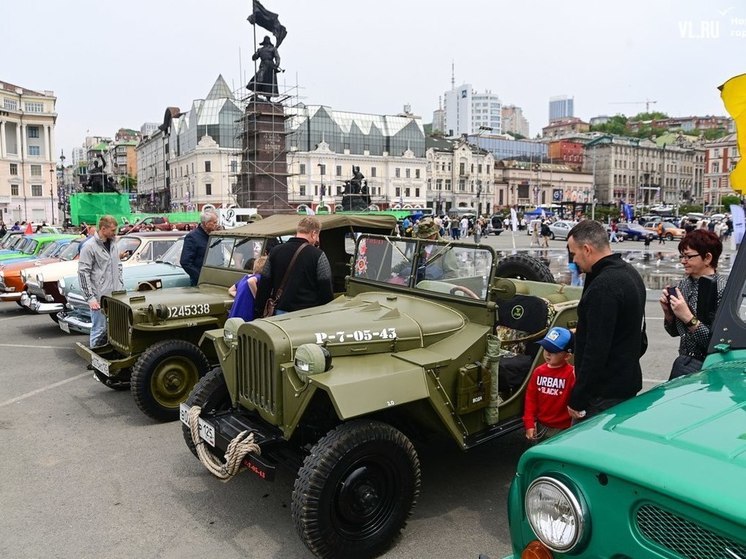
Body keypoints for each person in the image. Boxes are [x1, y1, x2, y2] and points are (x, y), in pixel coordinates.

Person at [566, 220, 646, 420]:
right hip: (625, 384)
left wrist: (578, 396)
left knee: (582, 448)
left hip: (602, 396)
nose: (573, 260)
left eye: (573, 253)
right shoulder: (630, 273)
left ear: (587, 249)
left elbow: (596, 349)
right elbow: (639, 334)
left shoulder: (604, 286)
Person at [660, 229, 726, 379]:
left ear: (707, 258)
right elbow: (675, 332)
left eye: (688, 257)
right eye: (682, 256)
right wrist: (668, 314)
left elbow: (715, 342)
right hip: (684, 362)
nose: (683, 261)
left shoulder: (722, 288)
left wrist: (689, 318)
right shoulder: (683, 284)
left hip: (708, 367)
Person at [254, 216, 334, 317]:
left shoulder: (275, 251)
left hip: (280, 312)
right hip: (308, 314)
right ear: (313, 234)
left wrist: (258, 311)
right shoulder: (318, 255)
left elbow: (264, 284)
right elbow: (325, 288)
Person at [78, 215, 123, 348]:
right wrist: (90, 298)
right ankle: (96, 361)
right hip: (99, 297)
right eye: (112, 230)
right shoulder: (89, 247)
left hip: (116, 295)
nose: (115, 233)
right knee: (99, 329)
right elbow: (83, 272)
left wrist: (120, 284)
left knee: (116, 329)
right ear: (103, 229)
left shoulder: (113, 243)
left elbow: (118, 265)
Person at [523, 327, 576, 442]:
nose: (547, 353)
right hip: (541, 426)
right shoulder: (538, 372)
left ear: (567, 356)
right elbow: (530, 399)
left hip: (563, 429)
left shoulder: (572, 374)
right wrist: (529, 423)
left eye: (553, 350)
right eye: (546, 348)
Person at [180, 209, 219, 286]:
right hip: (200, 281)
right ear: (206, 223)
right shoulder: (192, 237)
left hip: (216, 278)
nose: (217, 225)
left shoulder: (215, 236)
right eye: (214, 223)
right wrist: (200, 276)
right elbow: (185, 262)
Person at [228, 256, 267, 321]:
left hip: (234, 314)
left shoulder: (246, 277)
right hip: (245, 315)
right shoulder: (259, 277)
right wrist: (257, 298)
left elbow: (231, 290)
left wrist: (240, 295)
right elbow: (251, 281)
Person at [247, 36, 280, 101]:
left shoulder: (273, 49)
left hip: (270, 66)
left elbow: (277, 57)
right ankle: (256, 94)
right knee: (259, 79)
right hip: (263, 65)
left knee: (269, 82)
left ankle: (268, 98)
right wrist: (256, 54)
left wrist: (277, 64)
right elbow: (254, 58)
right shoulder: (260, 49)